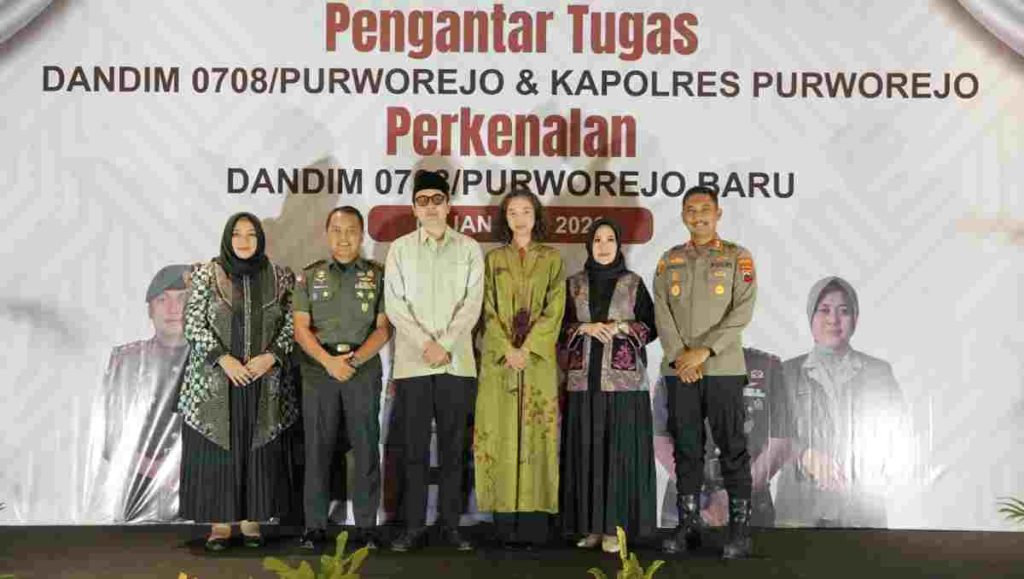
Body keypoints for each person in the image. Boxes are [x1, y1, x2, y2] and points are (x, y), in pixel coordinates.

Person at [177, 212, 299, 551]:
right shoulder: (207, 274)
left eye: (251, 234)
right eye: (237, 234)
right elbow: (193, 324)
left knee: (257, 449)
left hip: (264, 379)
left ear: (260, 239)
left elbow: (293, 323)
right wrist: (224, 359)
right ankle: (220, 525)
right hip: (217, 380)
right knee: (220, 449)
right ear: (227, 239)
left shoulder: (279, 277)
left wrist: (271, 356)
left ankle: (252, 521)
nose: (244, 241)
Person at [653, 186, 757, 559]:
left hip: (723, 369)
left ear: (718, 214)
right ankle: (688, 525)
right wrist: (680, 357)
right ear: (683, 215)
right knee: (687, 448)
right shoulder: (669, 260)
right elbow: (661, 311)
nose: (698, 216)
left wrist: (704, 351)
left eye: (705, 209)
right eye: (691, 210)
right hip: (680, 370)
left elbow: (742, 312)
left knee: (732, 447)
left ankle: (740, 531)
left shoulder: (737, 258)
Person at [384, 170, 483, 552]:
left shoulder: (469, 249)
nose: (430, 207)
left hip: (456, 363)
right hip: (414, 363)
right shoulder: (400, 249)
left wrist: (445, 344)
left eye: (437, 199)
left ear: (448, 205)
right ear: (413, 208)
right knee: (413, 450)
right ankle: (412, 526)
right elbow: (395, 306)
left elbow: (472, 304)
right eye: (422, 201)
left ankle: (450, 526)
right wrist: (427, 344)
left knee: (454, 449)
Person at [773, 276, 908, 528]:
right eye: (824, 310)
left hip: (861, 515)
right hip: (798, 514)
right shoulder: (784, 374)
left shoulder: (879, 373)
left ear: (855, 319)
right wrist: (804, 455)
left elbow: (899, 436)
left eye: (843, 311)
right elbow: (769, 440)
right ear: (810, 318)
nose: (833, 319)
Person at [293, 207, 390, 550]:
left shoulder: (377, 276)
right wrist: (328, 362)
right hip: (319, 371)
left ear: (361, 235)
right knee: (317, 448)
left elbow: (383, 328)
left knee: (365, 448)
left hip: (361, 369)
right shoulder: (310, 276)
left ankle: (366, 527)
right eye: (336, 230)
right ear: (327, 234)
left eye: (351, 230)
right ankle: (315, 526)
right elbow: (300, 328)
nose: (344, 237)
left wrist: (355, 360)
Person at [475, 189, 566, 549]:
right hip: (500, 362)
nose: (520, 218)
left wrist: (527, 348)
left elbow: (556, 308)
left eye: (526, 211)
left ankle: (534, 523)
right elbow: (485, 309)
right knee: (500, 431)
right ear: (505, 218)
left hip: (537, 361)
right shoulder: (493, 259)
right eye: (512, 212)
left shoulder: (552, 259)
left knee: (537, 432)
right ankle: (503, 523)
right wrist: (507, 349)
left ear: (536, 215)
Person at [559, 219, 657, 553]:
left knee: (618, 457)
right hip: (583, 384)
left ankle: (615, 529)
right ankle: (591, 527)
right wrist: (583, 329)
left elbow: (651, 327)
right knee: (587, 454)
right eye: (597, 240)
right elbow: (558, 327)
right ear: (589, 245)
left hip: (624, 387)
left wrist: (622, 327)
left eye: (610, 239)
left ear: (618, 245)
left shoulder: (633, 283)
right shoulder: (574, 284)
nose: (603, 246)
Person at [654, 347, 794, 529]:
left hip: (750, 504)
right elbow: (660, 438)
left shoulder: (767, 366)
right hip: (686, 502)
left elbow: (781, 442)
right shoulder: (675, 365)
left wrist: (738, 495)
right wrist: (701, 497)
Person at [94, 264, 190, 523]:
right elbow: (109, 437)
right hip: (137, 490)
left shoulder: (217, 363)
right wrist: (160, 472)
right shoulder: (126, 360)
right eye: (162, 300)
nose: (173, 309)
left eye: (183, 299)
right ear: (150, 310)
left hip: (202, 492)